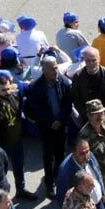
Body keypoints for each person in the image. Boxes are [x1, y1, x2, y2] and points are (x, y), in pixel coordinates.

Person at [0, 72, 34, 200]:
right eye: (3, 90)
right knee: (0, 171)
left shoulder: (16, 95)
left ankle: (21, 189)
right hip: (0, 143)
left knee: (19, 166)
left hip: (16, 139)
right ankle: (3, 196)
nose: (7, 92)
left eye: (8, 88)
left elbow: (19, 111)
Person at [24, 56, 71, 196]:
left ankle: (59, 177)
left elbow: (67, 104)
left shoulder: (63, 82)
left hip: (61, 126)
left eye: (56, 67)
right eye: (51, 69)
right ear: (43, 70)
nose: (55, 70)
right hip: (47, 129)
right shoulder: (35, 88)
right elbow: (33, 110)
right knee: (48, 156)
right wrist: (50, 122)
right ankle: (50, 184)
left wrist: (61, 120)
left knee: (61, 154)